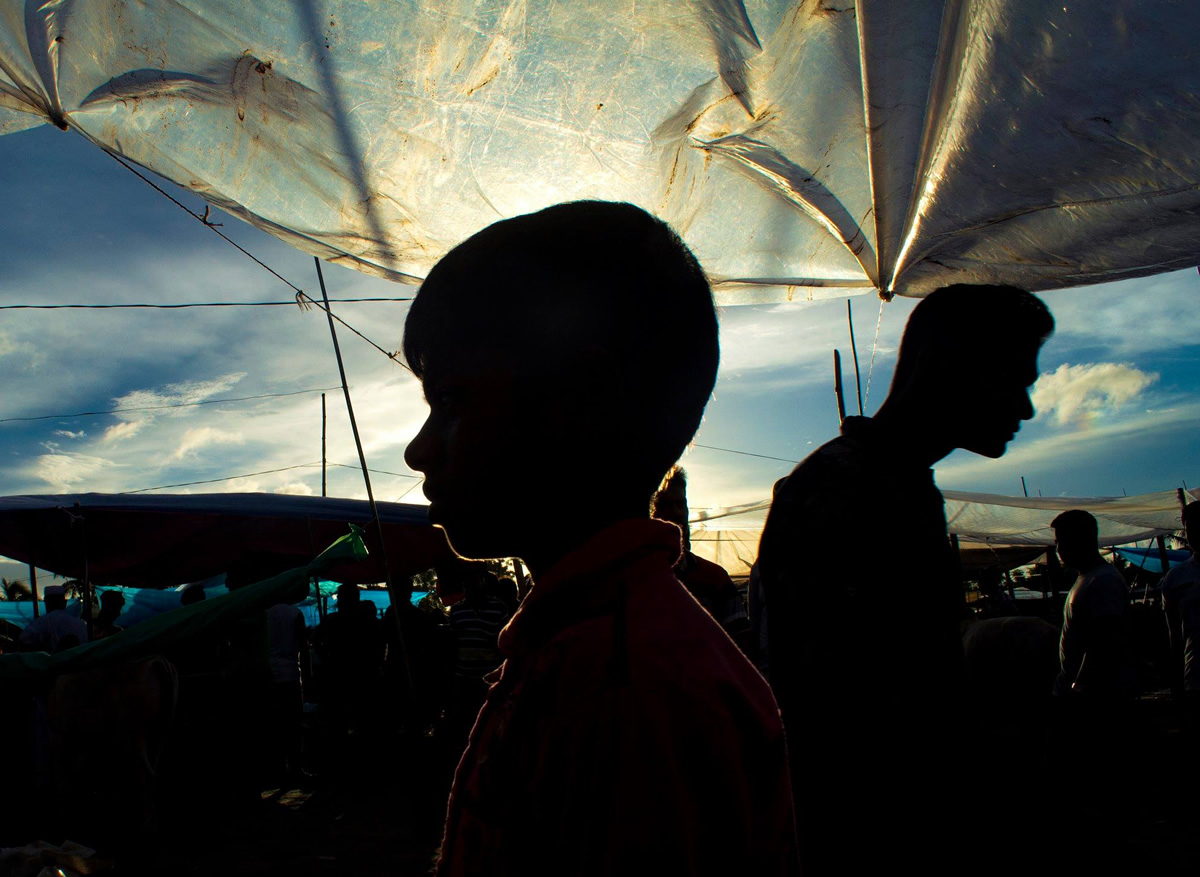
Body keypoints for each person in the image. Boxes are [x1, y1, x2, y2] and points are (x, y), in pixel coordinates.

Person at [402, 200, 799, 876]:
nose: (417, 449)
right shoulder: (585, 643)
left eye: (453, 399)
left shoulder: (622, 684)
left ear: (579, 405)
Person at [756, 283, 1054, 876]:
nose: (1025, 408)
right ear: (954, 368)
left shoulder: (898, 486)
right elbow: (848, 722)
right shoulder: (843, 492)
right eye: (1015, 379)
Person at [651, 466, 752, 654]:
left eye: (681, 504)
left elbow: (742, 651)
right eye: (663, 505)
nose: (676, 513)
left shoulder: (715, 579)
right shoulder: (627, 578)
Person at [1052, 510, 1136, 698]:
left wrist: (1080, 686)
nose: (1058, 550)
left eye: (1061, 542)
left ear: (1080, 540)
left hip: (1100, 694)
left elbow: (1104, 642)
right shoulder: (1087, 579)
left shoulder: (1102, 580)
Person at [1162, 501, 1200, 721]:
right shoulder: (1176, 579)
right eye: (1190, 528)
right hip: (1195, 678)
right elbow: (1173, 635)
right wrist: (1176, 681)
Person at [18, 584, 88, 652]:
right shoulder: (81, 624)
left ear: (46, 602)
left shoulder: (40, 623)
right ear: (64, 602)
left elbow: (23, 641)